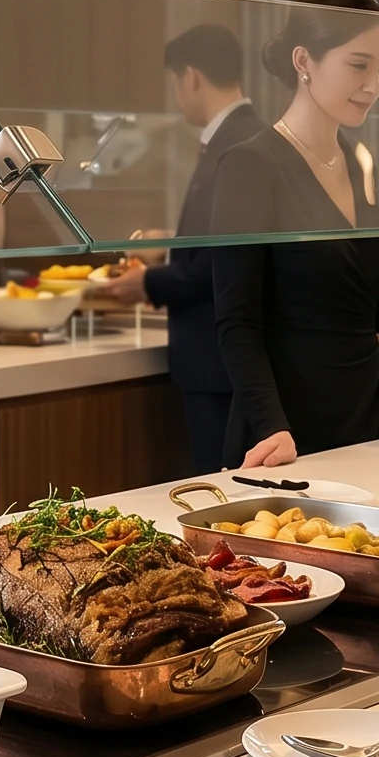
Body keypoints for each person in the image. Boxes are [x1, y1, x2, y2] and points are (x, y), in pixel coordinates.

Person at [213, 0, 379, 468]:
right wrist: (270, 425)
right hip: (286, 426)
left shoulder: (358, 160)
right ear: (304, 61)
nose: (374, 84)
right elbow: (236, 321)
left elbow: (353, 308)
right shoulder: (251, 165)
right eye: (359, 65)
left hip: (365, 411)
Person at [90, 23, 262, 471]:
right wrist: (167, 245)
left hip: (216, 361)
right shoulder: (247, 135)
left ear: (190, 77)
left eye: (173, 82)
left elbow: (219, 264)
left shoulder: (233, 144)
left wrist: (148, 281)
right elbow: (228, 239)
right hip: (223, 361)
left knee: (219, 488)